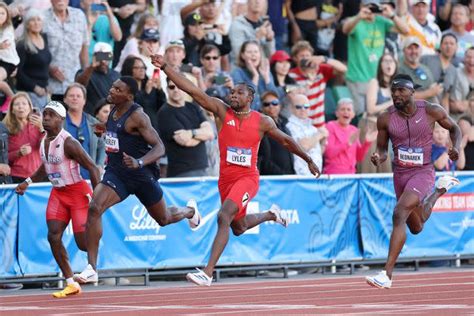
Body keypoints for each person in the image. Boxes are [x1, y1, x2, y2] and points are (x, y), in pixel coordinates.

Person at [151, 54, 320, 287]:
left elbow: (286, 141)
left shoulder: (263, 121)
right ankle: (271, 214)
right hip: (225, 179)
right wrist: (167, 68)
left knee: (223, 216)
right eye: (232, 92)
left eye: (239, 93)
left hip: (247, 178)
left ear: (250, 98)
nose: (233, 95)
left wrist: (308, 159)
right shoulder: (221, 111)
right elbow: (193, 90)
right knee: (238, 228)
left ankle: (208, 273)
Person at [73, 76, 201, 283]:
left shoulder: (139, 116)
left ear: (128, 96)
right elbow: (120, 134)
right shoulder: (114, 109)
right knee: (95, 208)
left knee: (164, 219)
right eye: (112, 86)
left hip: (141, 175)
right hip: (117, 173)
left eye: (117, 89)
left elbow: (160, 147)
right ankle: (91, 268)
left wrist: (140, 162)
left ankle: (190, 211)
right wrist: (104, 129)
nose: (111, 90)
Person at [366, 74, 462, 289]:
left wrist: (455, 148)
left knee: (399, 213)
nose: (396, 95)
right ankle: (439, 190)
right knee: (416, 226)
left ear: (411, 91)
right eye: (393, 91)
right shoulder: (385, 118)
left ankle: (386, 274)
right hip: (400, 174)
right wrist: (378, 156)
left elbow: (455, 128)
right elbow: (381, 149)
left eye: (400, 90)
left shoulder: (430, 110)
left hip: (423, 172)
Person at [15, 101, 100, 298]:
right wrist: (27, 182)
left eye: (51, 115)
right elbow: (46, 166)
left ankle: (94, 248)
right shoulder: (44, 140)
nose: (45, 119)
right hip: (58, 194)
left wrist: (97, 200)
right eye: (44, 115)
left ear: (61, 120)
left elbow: (94, 168)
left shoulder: (69, 142)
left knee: (82, 244)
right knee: (53, 236)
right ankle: (71, 283)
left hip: (78, 192)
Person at [4, 92, 44, 183]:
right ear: (12, 110)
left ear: (30, 108)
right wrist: (18, 153)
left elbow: (48, 148)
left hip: (38, 176)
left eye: (24, 104)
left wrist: (42, 128)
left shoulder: (39, 126)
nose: (21, 107)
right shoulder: (6, 129)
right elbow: (3, 157)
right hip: (16, 176)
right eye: (17, 104)